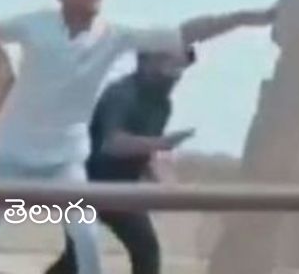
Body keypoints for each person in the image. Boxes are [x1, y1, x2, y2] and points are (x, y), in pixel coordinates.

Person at [0, 0, 275, 274]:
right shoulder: (36, 26)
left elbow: (186, 33)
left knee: (87, 245)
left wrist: (247, 18)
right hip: (11, 157)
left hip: (64, 162)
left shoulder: (113, 35)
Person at [45, 48, 198, 274]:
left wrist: (169, 185)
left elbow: (147, 155)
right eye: (170, 66)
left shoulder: (162, 105)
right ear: (146, 61)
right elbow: (112, 144)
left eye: (180, 68)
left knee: (146, 252)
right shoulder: (121, 94)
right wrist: (160, 143)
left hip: (121, 191)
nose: (176, 75)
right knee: (77, 258)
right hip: (87, 187)